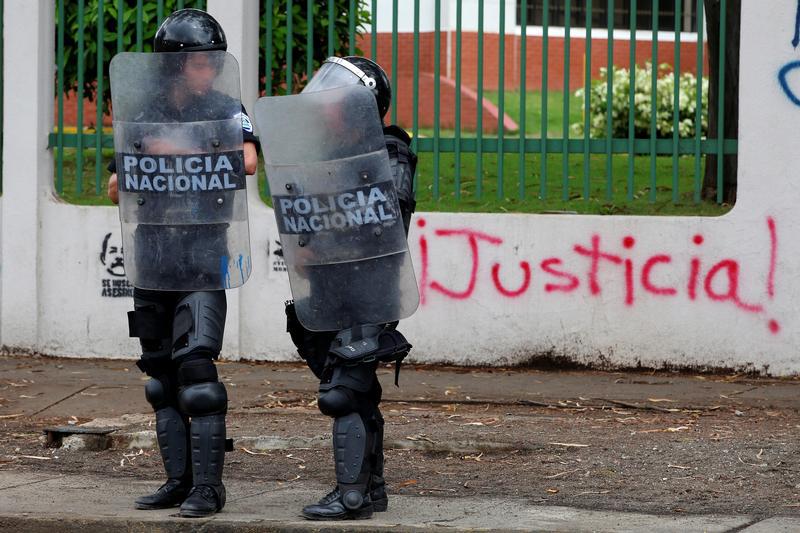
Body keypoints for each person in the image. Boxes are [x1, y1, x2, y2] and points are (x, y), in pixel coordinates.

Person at [107, 8, 258, 518]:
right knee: (159, 377)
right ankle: (177, 481)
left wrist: (169, 148)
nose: (208, 70)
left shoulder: (224, 105)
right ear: (174, 64)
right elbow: (114, 185)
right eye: (198, 62)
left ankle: (209, 490)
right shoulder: (142, 110)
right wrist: (146, 158)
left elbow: (250, 160)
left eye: (213, 61)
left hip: (202, 255)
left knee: (196, 370)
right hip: (153, 254)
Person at [282, 56, 418, 521]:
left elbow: (387, 214)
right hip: (328, 286)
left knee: (342, 391)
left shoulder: (389, 148)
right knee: (353, 389)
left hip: (370, 287)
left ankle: (350, 496)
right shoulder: (320, 152)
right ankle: (372, 489)